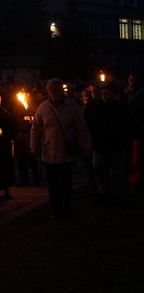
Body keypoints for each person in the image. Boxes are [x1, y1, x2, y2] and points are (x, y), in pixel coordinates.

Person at [31, 78, 92, 220]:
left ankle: (67, 210)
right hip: (49, 152)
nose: (52, 93)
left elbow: (81, 128)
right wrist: (34, 146)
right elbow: (36, 128)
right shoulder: (43, 107)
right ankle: (56, 211)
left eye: (55, 90)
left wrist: (86, 147)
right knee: (52, 185)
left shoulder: (72, 106)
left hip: (65, 152)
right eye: (50, 90)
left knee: (65, 183)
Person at [88, 86, 130, 204]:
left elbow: (125, 126)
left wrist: (123, 142)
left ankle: (115, 193)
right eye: (103, 93)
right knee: (99, 170)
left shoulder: (119, 108)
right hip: (100, 146)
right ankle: (103, 191)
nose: (105, 95)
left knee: (116, 172)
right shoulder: (98, 108)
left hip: (115, 146)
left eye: (107, 93)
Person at [118, 73, 144, 194]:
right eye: (131, 80)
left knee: (136, 158)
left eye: (135, 80)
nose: (133, 83)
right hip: (125, 131)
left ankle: (135, 182)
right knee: (127, 158)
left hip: (138, 132)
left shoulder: (141, 96)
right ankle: (128, 180)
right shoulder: (123, 95)